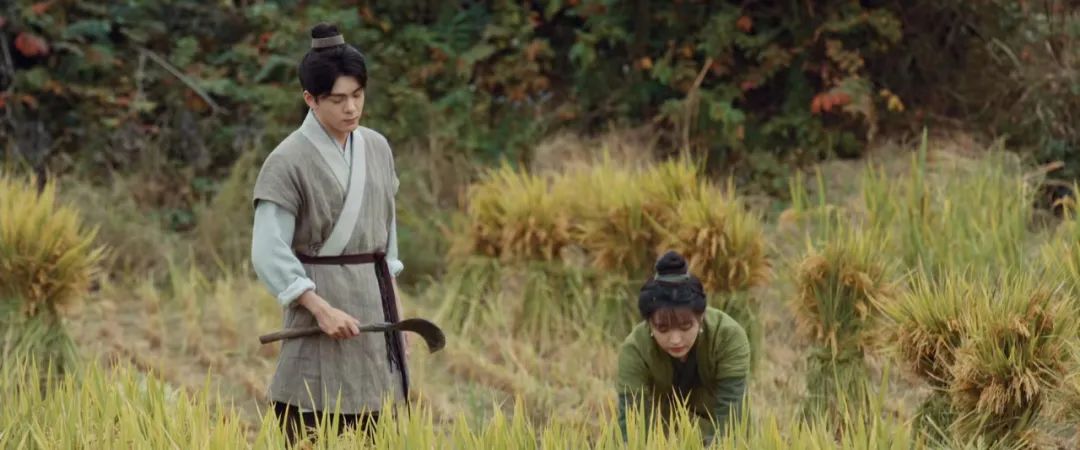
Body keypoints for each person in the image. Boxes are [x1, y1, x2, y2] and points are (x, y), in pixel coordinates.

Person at [250, 22, 407, 444]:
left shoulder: (377, 147)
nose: (351, 108)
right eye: (338, 100)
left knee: (378, 427)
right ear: (310, 99)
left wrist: (396, 316)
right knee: (309, 425)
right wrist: (319, 309)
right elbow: (267, 249)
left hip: (374, 308)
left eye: (358, 95)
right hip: (319, 307)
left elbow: (386, 237)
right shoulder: (286, 161)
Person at [616, 251, 750, 445]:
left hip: (715, 426)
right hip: (661, 435)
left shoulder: (728, 337)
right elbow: (631, 424)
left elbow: (731, 414)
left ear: (700, 317)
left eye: (686, 327)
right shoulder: (635, 350)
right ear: (649, 324)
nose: (675, 340)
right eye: (663, 328)